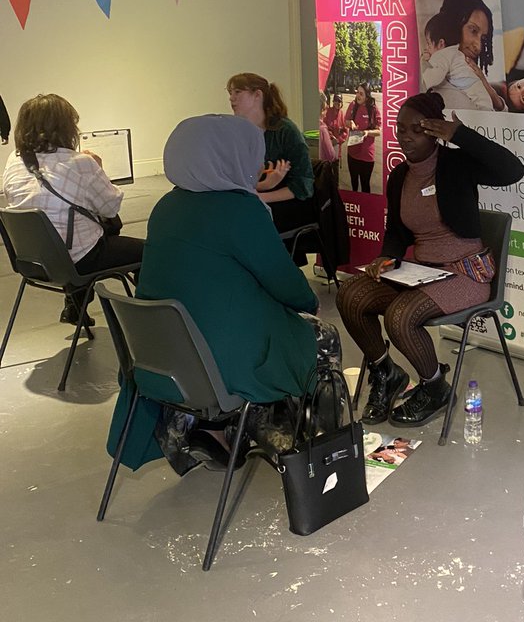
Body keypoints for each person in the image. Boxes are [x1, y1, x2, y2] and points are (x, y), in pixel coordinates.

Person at [106, 115, 319, 472]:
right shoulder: (241, 210)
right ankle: (301, 445)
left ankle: (215, 430)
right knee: (317, 334)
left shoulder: (165, 207)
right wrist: (309, 304)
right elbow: (289, 286)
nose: (257, 163)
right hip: (219, 368)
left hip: (162, 360)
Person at [336, 92, 524, 426]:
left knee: (399, 317)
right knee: (350, 296)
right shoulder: (399, 176)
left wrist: (460, 135)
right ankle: (385, 373)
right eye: (400, 128)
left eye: (416, 129)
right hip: (420, 272)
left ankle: (435, 386)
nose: (405, 135)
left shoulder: (456, 164)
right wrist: (386, 257)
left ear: (434, 132)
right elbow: (397, 231)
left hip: (466, 272)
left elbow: (512, 170)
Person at [2, 93, 144, 325]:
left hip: (32, 261)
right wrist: (97, 168)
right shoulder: (80, 163)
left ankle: (75, 304)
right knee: (148, 252)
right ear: (65, 127)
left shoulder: (14, 160)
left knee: (84, 235)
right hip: (75, 260)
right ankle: (148, 321)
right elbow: (110, 207)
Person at [226, 72, 315, 238]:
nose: (231, 98)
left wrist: (262, 196)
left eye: (237, 92)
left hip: (287, 205)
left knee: (239, 221)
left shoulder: (285, 132)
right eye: (230, 93)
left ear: (257, 95)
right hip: (253, 199)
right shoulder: (238, 131)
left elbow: (304, 185)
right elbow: (236, 178)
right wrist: (263, 185)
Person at [430, 0, 506, 113]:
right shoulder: (433, 74)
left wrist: (488, 88)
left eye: (483, 38)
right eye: (473, 31)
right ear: (454, 24)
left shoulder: (469, 76)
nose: (478, 46)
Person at [420, 11, 496, 112]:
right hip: (482, 100)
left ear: (441, 43)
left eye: (429, 44)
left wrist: (422, 65)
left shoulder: (443, 54)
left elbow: (433, 78)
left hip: (478, 104)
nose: (427, 49)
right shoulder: (456, 53)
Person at [345, 83, 381, 193]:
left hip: (367, 155)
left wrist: (367, 132)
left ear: (367, 96)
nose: (358, 96)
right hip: (352, 152)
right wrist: (350, 123)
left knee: (365, 185)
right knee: (354, 184)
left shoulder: (373, 109)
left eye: (361, 94)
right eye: (357, 92)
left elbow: (378, 131)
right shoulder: (353, 105)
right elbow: (346, 121)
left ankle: (366, 208)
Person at [322, 91, 347, 163]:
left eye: (339, 101)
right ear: (333, 101)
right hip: (327, 144)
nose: (337, 103)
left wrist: (339, 140)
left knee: (335, 167)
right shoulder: (328, 112)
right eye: (336, 100)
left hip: (337, 147)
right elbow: (324, 126)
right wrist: (331, 137)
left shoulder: (342, 114)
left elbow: (345, 131)